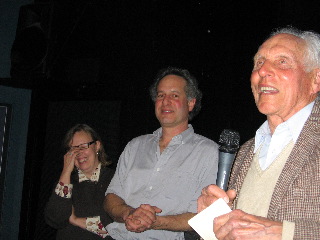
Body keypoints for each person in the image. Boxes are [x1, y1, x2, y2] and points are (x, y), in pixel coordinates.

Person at [197, 26, 320, 239]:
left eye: (282, 62)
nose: (262, 71)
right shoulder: (244, 152)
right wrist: (211, 219)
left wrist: (284, 233)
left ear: (315, 79)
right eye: (259, 62)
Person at [104, 67, 219, 239]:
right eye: (160, 95)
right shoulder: (135, 146)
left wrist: (154, 221)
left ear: (190, 103)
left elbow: (205, 217)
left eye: (174, 95)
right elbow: (111, 197)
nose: (165, 101)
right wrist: (129, 214)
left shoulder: (209, 152)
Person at [45, 124, 115, 239]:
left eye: (83, 146)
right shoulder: (65, 183)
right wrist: (66, 172)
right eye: (73, 148)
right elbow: (55, 220)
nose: (78, 152)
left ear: (97, 146)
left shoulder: (115, 179)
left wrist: (76, 220)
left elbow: (116, 227)